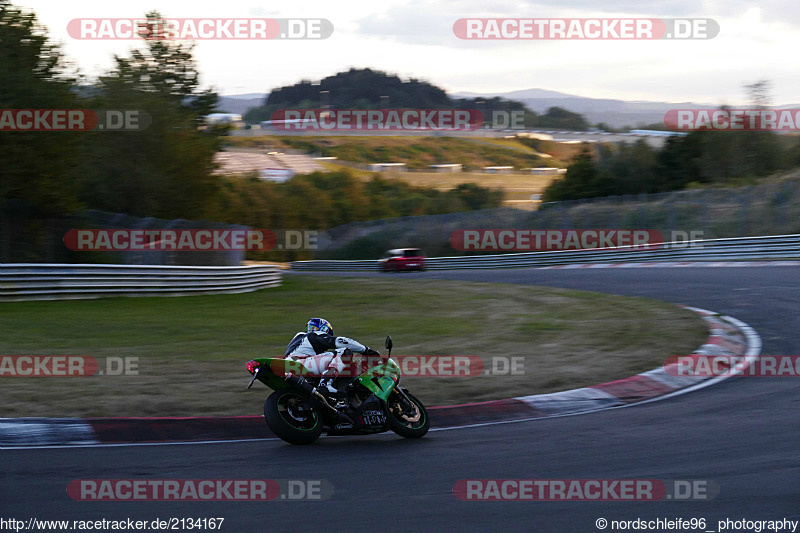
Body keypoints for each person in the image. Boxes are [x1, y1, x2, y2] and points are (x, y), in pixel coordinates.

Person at [284, 318, 379, 397]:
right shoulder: (313, 335)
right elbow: (341, 341)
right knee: (345, 352)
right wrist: (366, 350)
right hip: (301, 364)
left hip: (289, 367)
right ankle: (325, 384)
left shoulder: (298, 340)